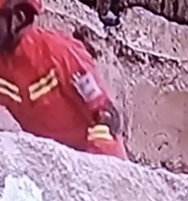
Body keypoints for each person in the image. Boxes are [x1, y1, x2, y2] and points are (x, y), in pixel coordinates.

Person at [0, 0, 128, 160]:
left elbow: (106, 119)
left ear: (19, 18)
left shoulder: (62, 56)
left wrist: (93, 172)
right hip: (48, 165)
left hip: (95, 164)